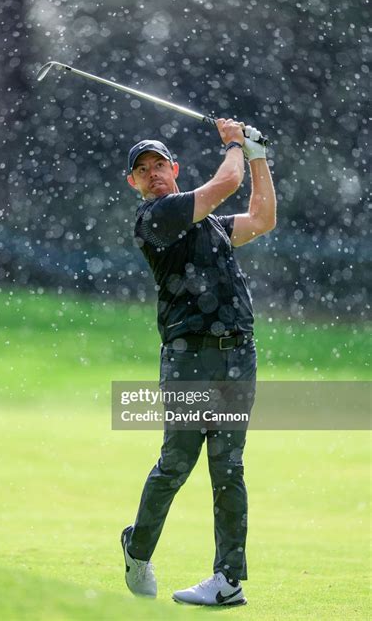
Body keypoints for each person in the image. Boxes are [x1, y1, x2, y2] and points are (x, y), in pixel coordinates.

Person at [120, 119, 277, 606]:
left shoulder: (208, 224)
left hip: (236, 355)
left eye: (159, 165)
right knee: (177, 463)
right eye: (142, 171)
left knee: (228, 467)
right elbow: (225, 184)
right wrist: (234, 144)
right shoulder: (157, 218)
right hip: (188, 360)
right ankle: (137, 547)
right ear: (135, 184)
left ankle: (227, 581)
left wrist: (258, 156)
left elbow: (262, 217)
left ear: (174, 168)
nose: (153, 174)